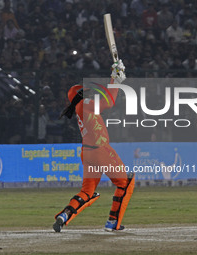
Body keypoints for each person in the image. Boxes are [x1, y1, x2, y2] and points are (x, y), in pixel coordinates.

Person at [53, 61, 135, 232]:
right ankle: (113, 222)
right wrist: (116, 82)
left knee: (87, 192)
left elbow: (104, 98)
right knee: (126, 182)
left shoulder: (80, 107)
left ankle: (64, 216)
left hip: (87, 153)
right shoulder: (85, 104)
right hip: (100, 151)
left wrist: (114, 76)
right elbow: (109, 102)